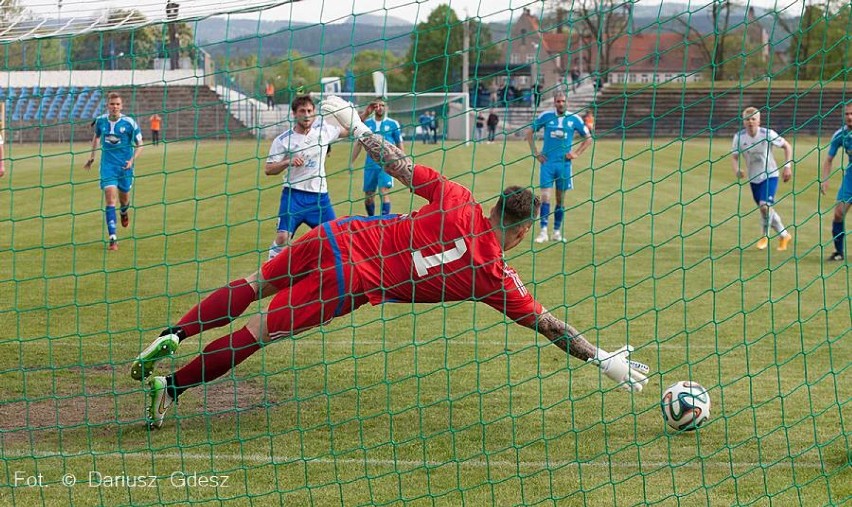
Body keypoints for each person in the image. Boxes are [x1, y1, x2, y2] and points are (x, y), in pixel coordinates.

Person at [132, 95, 649, 429]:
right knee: (260, 332)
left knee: (254, 282)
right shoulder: (495, 277)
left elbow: (397, 164)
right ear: (516, 231)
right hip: (351, 282)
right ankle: (172, 387)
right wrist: (601, 357)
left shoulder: (458, 197)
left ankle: (173, 332)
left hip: (340, 234)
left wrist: (356, 126)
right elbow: (546, 324)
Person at [262, 95, 354, 260]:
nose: (306, 114)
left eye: (309, 111)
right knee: (283, 237)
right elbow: (268, 169)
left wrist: (364, 114)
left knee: (336, 237)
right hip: (294, 195)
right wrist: (287, 162)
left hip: (319, 198)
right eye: (302, 111)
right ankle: (269, 272)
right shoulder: (283, 140)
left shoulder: (324, 132)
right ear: (294, 114)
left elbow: (349, 130)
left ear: (314, 113)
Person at [526, 92, 593, 243]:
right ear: (554, 103)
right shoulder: (546, 116)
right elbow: (529, 132)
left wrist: (576, 153)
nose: (560, 104)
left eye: (563, 101)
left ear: (566, 102)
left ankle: (556, 231)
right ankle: (543, 231)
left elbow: (588, 139)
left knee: (560, 200)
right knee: (545, 197)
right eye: (558, 101)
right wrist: (536, 153)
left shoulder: (574, 118)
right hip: (547, 164)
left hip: (564, 165)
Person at [83, 92, 143, 251]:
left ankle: (124, 212)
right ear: (107, 105)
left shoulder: (129, 122)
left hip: (125, 168)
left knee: (124, 200)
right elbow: (96, 137)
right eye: (112, 104)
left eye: (117, 104)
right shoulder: (101, 121)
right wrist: (92, 157)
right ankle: (113, 239)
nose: (114, 107)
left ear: (121, 106)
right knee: (110, 199)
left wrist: (132, 160)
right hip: (107, 167)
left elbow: (140, 144)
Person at [731, 107, 794, 251]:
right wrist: (737, 170)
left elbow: (787, 146)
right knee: (765, 209)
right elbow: (734, 157)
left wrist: (787, 166)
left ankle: (764, 236)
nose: (750, 122)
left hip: (770, 175)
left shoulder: (768, 134)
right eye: (748, 119)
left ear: (759, 121)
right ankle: (784, 235)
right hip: (754, 179)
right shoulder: (739, 137)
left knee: (764, 205)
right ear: (744, 121)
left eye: (753, 119)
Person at [349, 97, 403, 216]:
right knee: (369, 195)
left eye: (382, 105)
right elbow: (358, 144)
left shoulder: (393, 124)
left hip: (387, 164)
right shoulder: (367, 124)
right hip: (370, 164)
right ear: (373, 108)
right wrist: (351, 162)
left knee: (383, 191)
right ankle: (371, 219)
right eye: (377, 106)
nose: (379, 108)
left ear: (386, 107)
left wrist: (402, 161)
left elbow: (399, 143)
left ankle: (384, 222)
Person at [820, 101, 852, 261]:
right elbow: (829, 159)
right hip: (850, 177)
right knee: (839, 214)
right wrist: (825, 179)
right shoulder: (840, 135)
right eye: (847, 114)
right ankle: (839, 252)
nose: (850, 117)